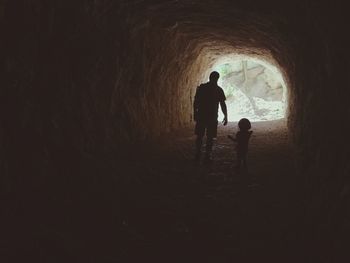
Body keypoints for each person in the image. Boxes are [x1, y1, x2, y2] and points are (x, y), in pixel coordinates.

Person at [193, 71, 228, 163]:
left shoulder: (202, 88)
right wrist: (226, 115)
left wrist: (195, 113)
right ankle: (207, 155)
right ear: (217, 78)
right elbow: (222, 104)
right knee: (210, 137)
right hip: (212, 117)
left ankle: (198, 154)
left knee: (199, 136)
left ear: (209, 77)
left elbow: (196, 101)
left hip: (201, 115)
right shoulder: (219, 90)